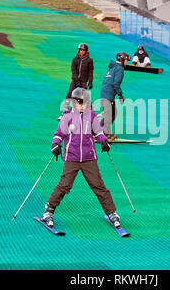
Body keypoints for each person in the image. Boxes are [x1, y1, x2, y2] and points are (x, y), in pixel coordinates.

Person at [42, 87, 121, 228]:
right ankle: (49, 210)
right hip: (72, 157)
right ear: (73, 102)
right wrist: (55, 145)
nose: (82, 106)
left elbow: (98, 132)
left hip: (88, 157)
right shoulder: (67, 117)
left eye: (85, 103)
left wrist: (103, 141)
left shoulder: (91, 116)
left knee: (98, 185)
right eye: (80, 103)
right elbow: (59, 134)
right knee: (65, 185)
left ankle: (111, 212)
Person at [100, 52, 131, 140]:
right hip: (108, 93)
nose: (127, 63)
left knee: (109, 113)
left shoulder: (112, 66)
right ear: (122, 60)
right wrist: (120, 95)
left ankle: (98, 130)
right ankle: (104, 132)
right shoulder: (119, 69)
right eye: (126, 61)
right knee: (111, 114)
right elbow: (116, 83)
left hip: (104, 91)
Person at [60, 43, 94, 117]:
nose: (81, 52)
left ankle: (90, 111)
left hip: (84, 81)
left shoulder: (89, 60)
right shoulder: (75, 59)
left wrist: (90, 82)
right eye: (80, 50)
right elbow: (73, 71)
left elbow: (90, 72)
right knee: (69, 93)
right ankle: (65, 109)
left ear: (86, 51)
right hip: (75, 80)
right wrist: (77, 81)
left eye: (83, 50)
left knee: (85, 96)